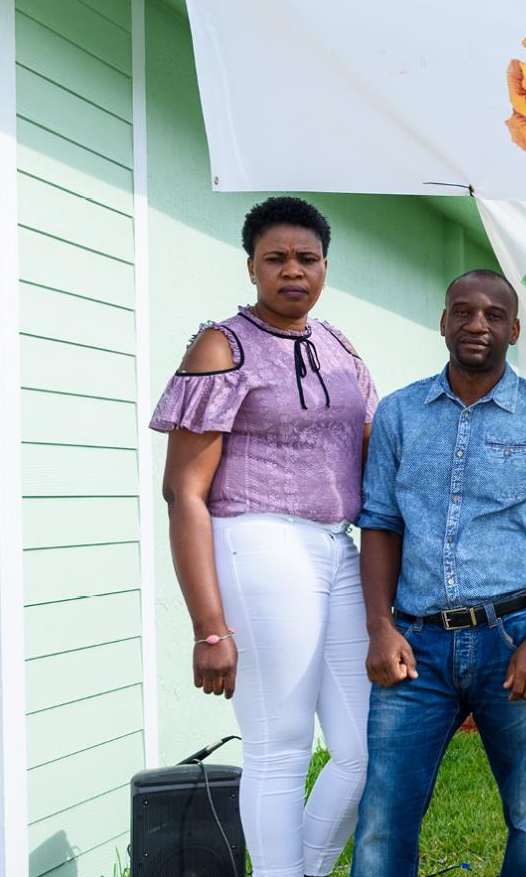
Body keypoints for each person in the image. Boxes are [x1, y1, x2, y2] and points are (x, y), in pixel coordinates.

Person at [152, 196, 378, 877]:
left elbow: (371, 448)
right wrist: (208, 627)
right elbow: (183, 491)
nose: (292, 271)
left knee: (363, 747)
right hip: (258, 540)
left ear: (325, 266)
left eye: (306, 258)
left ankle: (300, 870)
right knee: (280, 744)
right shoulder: (223, 344)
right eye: (275, 258)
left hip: (339, 546)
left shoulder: (337, 344)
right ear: (250, 265)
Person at [352, 269, 526, 876]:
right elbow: (380, 523)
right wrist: (380, 628)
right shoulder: (400, 414)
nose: (476, 324)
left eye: (492, 315)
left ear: (514, 329)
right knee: (384, 819)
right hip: (416, 646)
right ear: (443, 322)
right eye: (463, 311)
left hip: (511, 639)